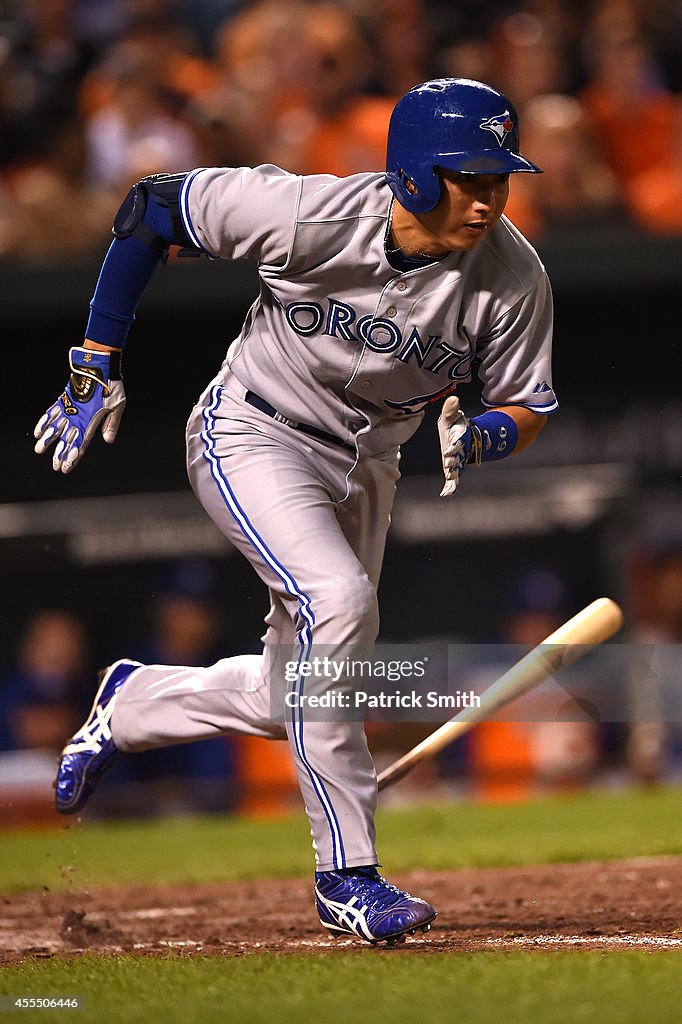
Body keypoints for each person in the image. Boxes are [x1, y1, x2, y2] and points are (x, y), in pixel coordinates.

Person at [33, 78, 557, 945]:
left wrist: (490, 435)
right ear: (415, 174)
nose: (489, 197)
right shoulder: (311, 213)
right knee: (341, 606)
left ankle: (131, 704)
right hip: (254, 429)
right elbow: (151, 208)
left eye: (499, 177)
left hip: (370, 461)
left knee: (299, 693)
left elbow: (528, 402)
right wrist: (97, 355)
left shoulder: (512, 275)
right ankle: (347, 874)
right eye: (469, 176)